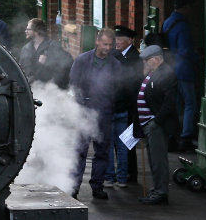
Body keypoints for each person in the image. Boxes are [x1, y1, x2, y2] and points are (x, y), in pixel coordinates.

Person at [68, 28, 121, 200]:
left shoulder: (115, 65)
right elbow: (73, 85)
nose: (107, 47)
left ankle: (97, 186)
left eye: (110, 45)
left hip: (104, 113)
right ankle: (74, 187)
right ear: (97, 42)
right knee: (80, 151)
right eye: (105, 44)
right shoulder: (82, 60)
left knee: (102, 152)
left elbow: (117, 90)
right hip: (84, 111)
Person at [132, 44, 180, 205]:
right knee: (154, 159)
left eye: (147, 60)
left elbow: (169, 103)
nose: (145, 63)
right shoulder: (154, 72)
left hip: (157, 125)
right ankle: (157, 190)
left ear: (157, 59)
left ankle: (160, 192)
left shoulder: (167, 75)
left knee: (158, 160)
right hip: (150, 124)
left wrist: (156, 121)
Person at [162, 0, 198, 150]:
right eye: (189, 7)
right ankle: (186, 137)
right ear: (184, 8)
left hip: (169, 69)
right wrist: (198, 57)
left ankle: (171, 136)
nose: (191, 10)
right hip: (183, 70)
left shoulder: (167, 22)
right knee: (190, 104)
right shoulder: (183, 25)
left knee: (174, 104)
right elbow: (185, 50)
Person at [107, 25, 141, 187]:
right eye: (116, 39)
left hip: (127, 105)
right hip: (114, 104)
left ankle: (129, 173)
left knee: (127, 142)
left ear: (130, 41)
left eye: (121, 39)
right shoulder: (113, 54)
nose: (117, 42)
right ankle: (115, 174)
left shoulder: (135, 58)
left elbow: (134, 84)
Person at [18, 17, 72, 88]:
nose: (25, 31)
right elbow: (21, 71)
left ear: (36, 31)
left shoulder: (53, 46)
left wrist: (53, 84)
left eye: (28, 29)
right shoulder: (25, 49)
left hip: (49, 92)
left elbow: (66, 67)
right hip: (30, 91)